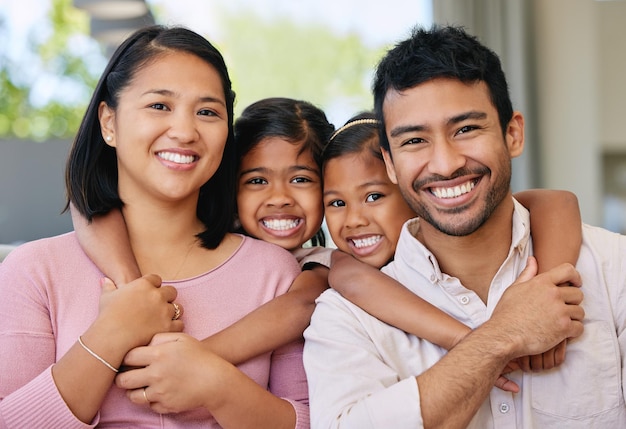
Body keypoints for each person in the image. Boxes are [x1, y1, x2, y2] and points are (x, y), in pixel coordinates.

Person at [304, 25, 625, 428]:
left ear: (513, 134)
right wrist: (499, 337)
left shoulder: (614, 270)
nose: (445, 164)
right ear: (389, 163)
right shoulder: (345, 319)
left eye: (466, 129)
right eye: (414, 141)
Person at [0, 26, 308, 428]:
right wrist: (110, 335)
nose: (184, 131)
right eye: (160, 106)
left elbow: (321, 419)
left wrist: (219, 384)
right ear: (108, 122)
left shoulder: (275, 274)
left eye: (207, 112)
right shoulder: (34, 271)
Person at [71, 96, 333, 369]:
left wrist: (191, 359)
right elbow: (87, 208)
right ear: (231, 185)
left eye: (300, 179)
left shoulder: (317, 263)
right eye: (257, 180)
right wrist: (132, 286)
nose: (279, 198)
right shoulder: (213, 236)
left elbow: (301, 305)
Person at [322, 112, 581, 371]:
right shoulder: (343, 269)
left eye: (373, 196)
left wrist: (550, 295)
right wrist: (477, 344)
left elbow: (559, 201)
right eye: (336, 203)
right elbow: (354, 281)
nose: (353, 220)